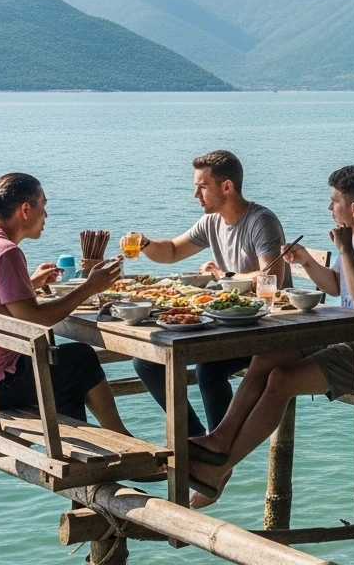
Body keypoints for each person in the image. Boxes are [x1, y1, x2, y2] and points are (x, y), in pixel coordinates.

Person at [183, 164, 354, 507]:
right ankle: (219, 439)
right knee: (268, 355)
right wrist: (305, 261)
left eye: (333, 202)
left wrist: (345, 249)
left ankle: (220, 470)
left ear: (353, 209)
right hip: (342, 338)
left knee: (282, 380)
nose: (328, 208)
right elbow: (337, 287)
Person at [0, 173, 129, 433]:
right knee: (81, 358)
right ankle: (119, 438)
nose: (46, 214)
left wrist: (31, 283)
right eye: (43, 205)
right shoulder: (6, 252)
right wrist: (89, 287)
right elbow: (35, 320)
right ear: (26, 209)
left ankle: (80, 442)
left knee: (63, 369)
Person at [124, 150, 290, 438]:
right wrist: (147, 243)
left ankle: (220, 447)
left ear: (227, 186)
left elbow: (272, 278)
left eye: (202, 186)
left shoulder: (260, 221)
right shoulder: (212, 221)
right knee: (146, 361)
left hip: (261, 326)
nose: (195, 194)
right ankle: (196, 437)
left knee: (209, 368)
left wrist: (223, 276)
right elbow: (174, 250)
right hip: (224, 320)